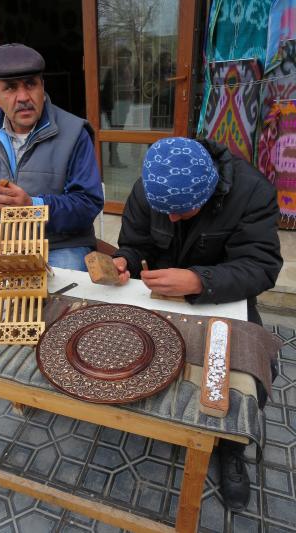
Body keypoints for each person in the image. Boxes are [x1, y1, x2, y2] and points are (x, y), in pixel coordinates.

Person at [112, 137, 283, 511]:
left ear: (208, 194)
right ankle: (154, 412)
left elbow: (261, 266)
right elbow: (135, 242)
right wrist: (125, 259)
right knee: (121, 344)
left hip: (223, 295)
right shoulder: (149, 185)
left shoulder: (252, 192)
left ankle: (231, 445)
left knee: (249, 370)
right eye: (164, 210)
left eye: (181, 211)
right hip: (159, 292)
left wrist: (199, 281)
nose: (170, 218)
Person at [0, 43, 103, 410]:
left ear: (43, 86)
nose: (23, 97)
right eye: (11, 89)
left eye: (30, 85)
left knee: (58, 310)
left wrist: (31, 204)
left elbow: (88, 204)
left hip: (65, 242)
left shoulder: (73, 131)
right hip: (12, 241)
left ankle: (58, 376)